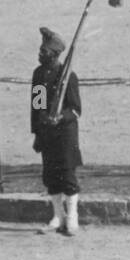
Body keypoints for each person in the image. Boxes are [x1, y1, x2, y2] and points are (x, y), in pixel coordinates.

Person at [31, 25, 83, 236]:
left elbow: (76, 109)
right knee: (50, 177)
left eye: (43, 51)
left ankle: (72, 217)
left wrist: (60, 116)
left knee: (67, 176)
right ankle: (57, 216)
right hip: (47, 134)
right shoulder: (40, 75)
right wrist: (38, 130)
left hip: (65, 135)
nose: (40, 54)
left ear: (54, 54)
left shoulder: (67, 76)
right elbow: (37, 105)